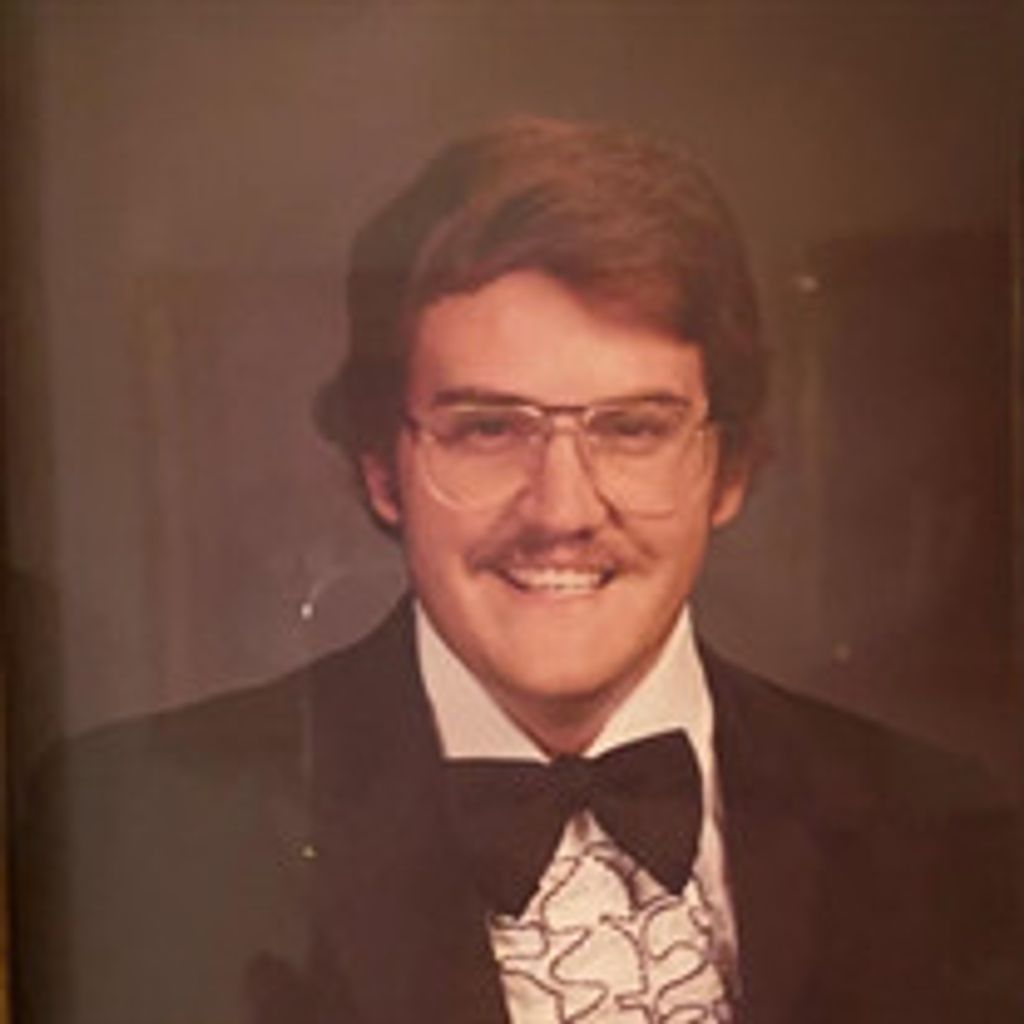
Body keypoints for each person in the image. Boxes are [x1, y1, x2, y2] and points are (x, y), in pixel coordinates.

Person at [17, 116, 1019, 1024]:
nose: (562, 510)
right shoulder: (146, 831)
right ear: (380, 468)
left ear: (728, 470)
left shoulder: (945, 827)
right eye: (489, 429)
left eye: (632, 428)